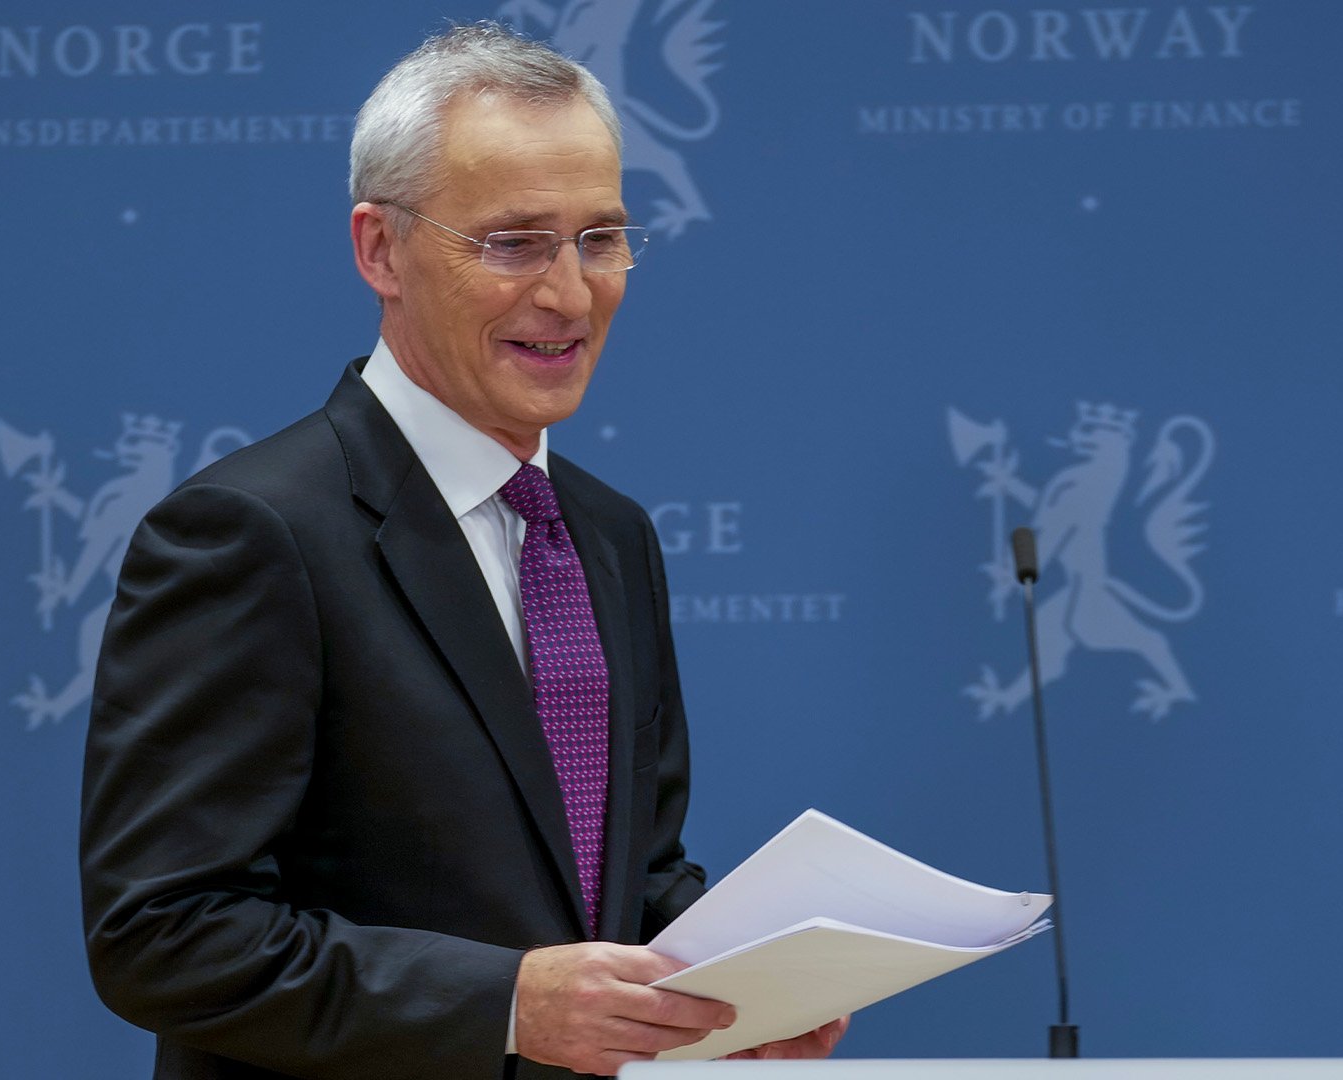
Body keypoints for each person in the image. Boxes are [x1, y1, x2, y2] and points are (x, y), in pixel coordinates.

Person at [79, 23, 845, 1079]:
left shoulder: (610, 533)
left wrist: (742, 992)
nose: (570, 293)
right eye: (514, 243)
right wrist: (507, 1008)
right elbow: (162, 936)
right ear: (380, 250)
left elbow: (626, 879)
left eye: (599, 238)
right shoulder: (251, 533)